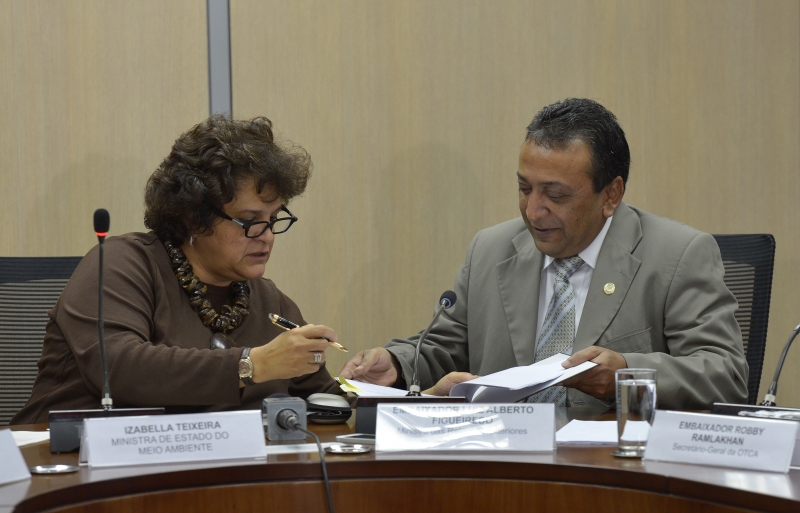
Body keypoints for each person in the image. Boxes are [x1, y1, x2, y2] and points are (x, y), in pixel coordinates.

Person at [341, 98, 748, 410]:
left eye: (555, 195)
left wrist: (628, 374)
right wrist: (395, 363)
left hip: (613, 475)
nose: (533, 211)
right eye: (524, 189)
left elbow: (725, 374)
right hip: (503, 461)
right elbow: (445, 348)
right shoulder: (491, 249)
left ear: (612, 195)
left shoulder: (676, 255)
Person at [13, 115, 345, 424]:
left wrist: (366, 388)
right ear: (195, 218)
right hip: (66, 464)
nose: (267, 236)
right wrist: (252, 364)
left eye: (272, 220)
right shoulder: (121, 264)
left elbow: (320, 397)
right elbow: (119, 369)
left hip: (212, 472)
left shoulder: (271, 302)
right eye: (249, 221)